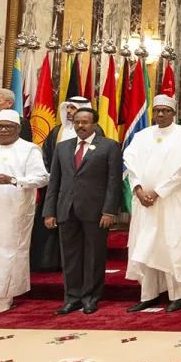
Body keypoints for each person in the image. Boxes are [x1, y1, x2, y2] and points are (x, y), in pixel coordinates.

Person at [123, 96, 181, 313]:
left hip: (172, 203)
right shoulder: (141, 137)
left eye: (165, 111)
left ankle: (177, 295)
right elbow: (131, 165)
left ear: (173, 113)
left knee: (172, 246)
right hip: (145, 205)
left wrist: (158, 192)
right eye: (157, 110)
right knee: (146, 247)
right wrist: (139, 190)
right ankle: (148, 294)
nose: (160, 115)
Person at [43, 106, 122, 315]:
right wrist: (49, 211)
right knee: (69, 257)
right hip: (66, 210)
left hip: (96, 212)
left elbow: (114, 182)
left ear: (95, 125)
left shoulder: (109, 146)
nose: (80, 126)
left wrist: (109, 211)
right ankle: (72, 298)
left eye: (85, 122)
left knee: (94, 256)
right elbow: (55, 182)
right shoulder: (62, 147)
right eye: (77, 122)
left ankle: (90, 297)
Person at [0, 110, 48, 314]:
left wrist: (13, 180)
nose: (4, 130)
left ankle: (6, 296)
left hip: (13, 210)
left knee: (7, 252)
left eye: (9, 126)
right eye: (0, 126)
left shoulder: (29, 149)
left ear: (18, 129)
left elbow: (42, 178)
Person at [34, 96, 89, 273]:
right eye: (69, 109)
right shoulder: (57, 131)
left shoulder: (95, 132)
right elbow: (46, 155)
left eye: (74, 108)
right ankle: (49, 262)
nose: (71, 112)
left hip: (82, 189)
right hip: (57, 185)